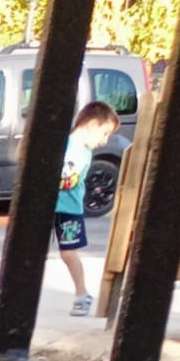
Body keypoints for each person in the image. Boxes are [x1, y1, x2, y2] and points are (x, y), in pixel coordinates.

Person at [55, 100, 119, 317]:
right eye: (104, 133)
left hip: (69, 208)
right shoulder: (67, 144)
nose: (105, 141)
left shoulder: (82, 151)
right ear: (92, 124)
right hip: (55, 205)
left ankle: (82, 294)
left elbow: (68, 180)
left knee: (68, 253)